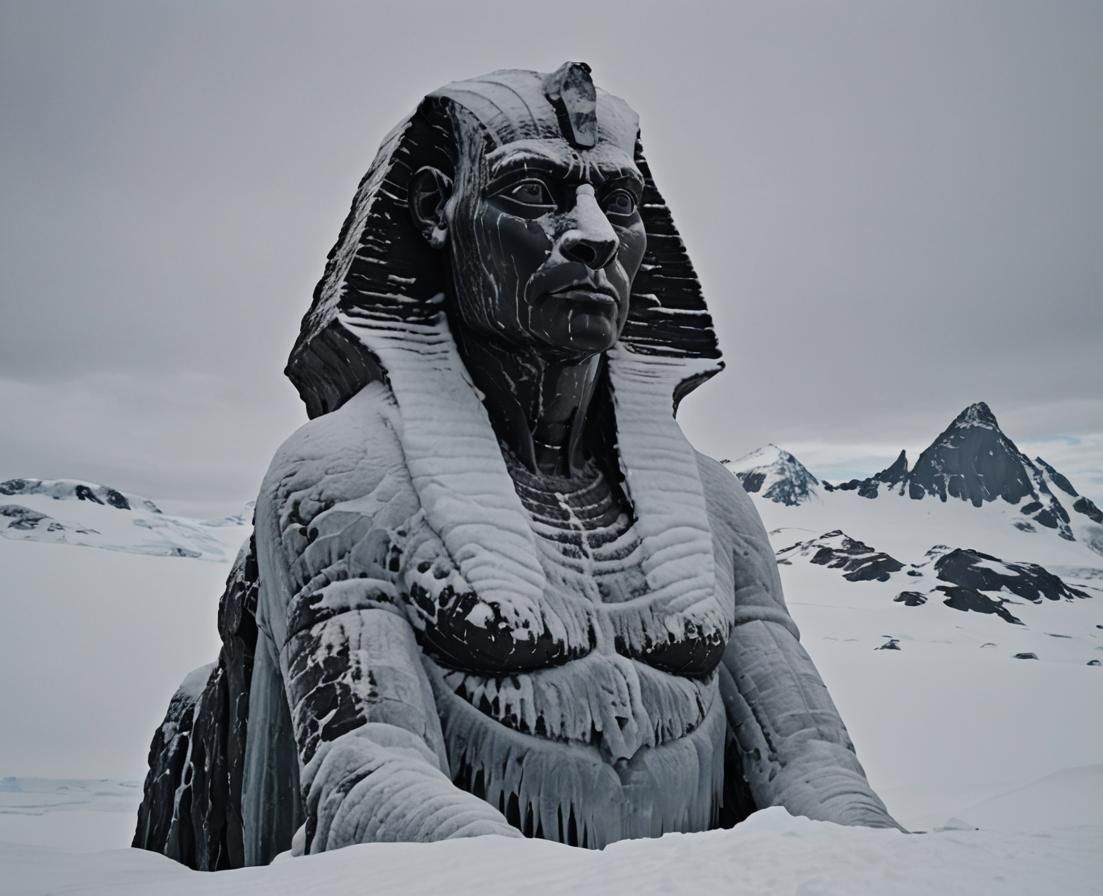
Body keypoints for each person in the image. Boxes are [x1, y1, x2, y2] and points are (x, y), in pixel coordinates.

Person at [134, 62, 899, 871]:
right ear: (435, 211)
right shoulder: (341, 481)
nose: (595, 233)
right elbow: (366, 771)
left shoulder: (716, 507)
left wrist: (887, 871)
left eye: (620, 200)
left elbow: (810, 763)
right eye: (535, 191)